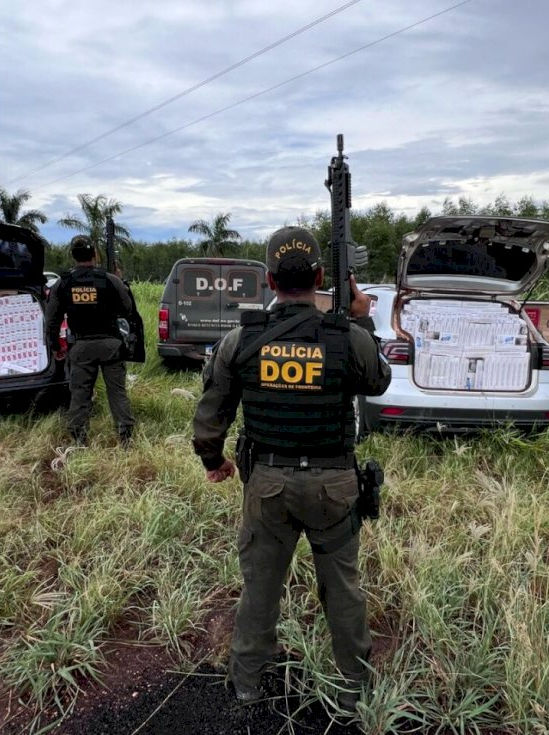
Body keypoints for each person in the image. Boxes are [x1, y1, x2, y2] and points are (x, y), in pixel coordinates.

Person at [192, 226, 392, 712]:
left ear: (268, 278)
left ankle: (246, 685)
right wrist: (361, 319)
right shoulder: (346, 338)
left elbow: (209, 416)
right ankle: (354, 692)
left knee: (260, 587)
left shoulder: (243, 339)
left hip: (268, 486)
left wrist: (214, 461)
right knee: (342, 590)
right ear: (321, 276)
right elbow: (380, 381)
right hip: (335, 487)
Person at [45, 235, 137, 445]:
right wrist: (120, 281)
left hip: (81, 346)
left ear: (72, 255)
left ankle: (79, 439)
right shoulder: (110, 280)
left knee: (80, 394)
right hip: (111, 345)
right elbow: (128, 309)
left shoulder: (63, 283)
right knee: (117, 393)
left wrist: (54, 346)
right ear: (94, 254)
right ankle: (125, 438)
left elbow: (52, 320)